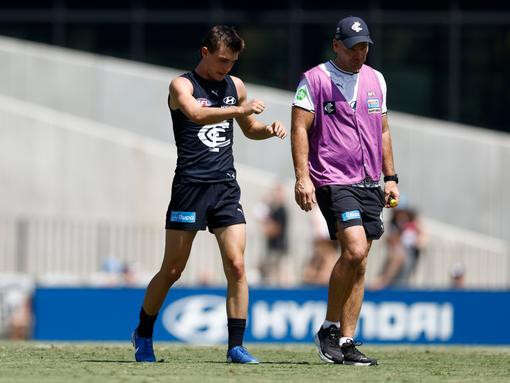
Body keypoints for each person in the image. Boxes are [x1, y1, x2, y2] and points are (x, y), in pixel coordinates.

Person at [131, 25, 286, 364]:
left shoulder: (236, 86)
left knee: (237, 265)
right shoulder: (182, 85)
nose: (226, 68)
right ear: (205, 52)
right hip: (190, 188)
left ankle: (236, 346)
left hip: (225, 188)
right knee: (172, 270)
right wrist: (240, 110)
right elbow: (197, 114)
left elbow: (249, 129)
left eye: (231, 62)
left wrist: (268, 129)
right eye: (221, 60)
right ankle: (143, 332)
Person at [291, 16, 399, 366]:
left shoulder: (376, 79)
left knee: (361, 262)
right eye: (353, 47)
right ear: (336, 44)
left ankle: (347, 341)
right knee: (353, 250)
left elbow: (383, 131)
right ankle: (329, 328)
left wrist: (391, 177)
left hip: (370, 181)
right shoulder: (314, 79)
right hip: (334, 179)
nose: (360, 53)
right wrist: (302, 177)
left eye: (365, 46)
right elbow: (299, 128)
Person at [371, 207, 425, 290]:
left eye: (404, 214)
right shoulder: (394, 226)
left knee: (399, 256)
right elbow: (390, 242)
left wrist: (417, 240)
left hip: (408, 255)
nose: (401, 217)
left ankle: (384, 280)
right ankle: (384, 280)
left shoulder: (414, 226)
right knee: (396, 255)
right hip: (395, 254)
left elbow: (422, 240)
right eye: (399, 214)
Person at [257, 183, 288, 285]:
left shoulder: (281, 210)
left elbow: (276, 229)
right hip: (274, 247)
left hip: (278, 247)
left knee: (276, 274)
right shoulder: (274, 209)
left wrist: (266, 227)